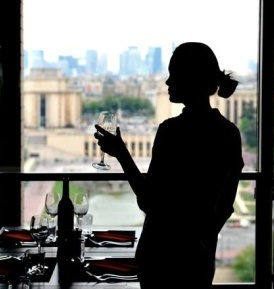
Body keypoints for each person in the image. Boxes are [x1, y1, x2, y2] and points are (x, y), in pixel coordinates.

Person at [94, 42, 244, 289]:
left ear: (189, 79)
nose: (167, 83)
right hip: (199, 260)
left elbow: (148, 200)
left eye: (173, 75)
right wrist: (202, 237)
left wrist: (122, 154)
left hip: (160, 256)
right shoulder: (229, 134)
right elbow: (225, 205)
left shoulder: (171, 132)